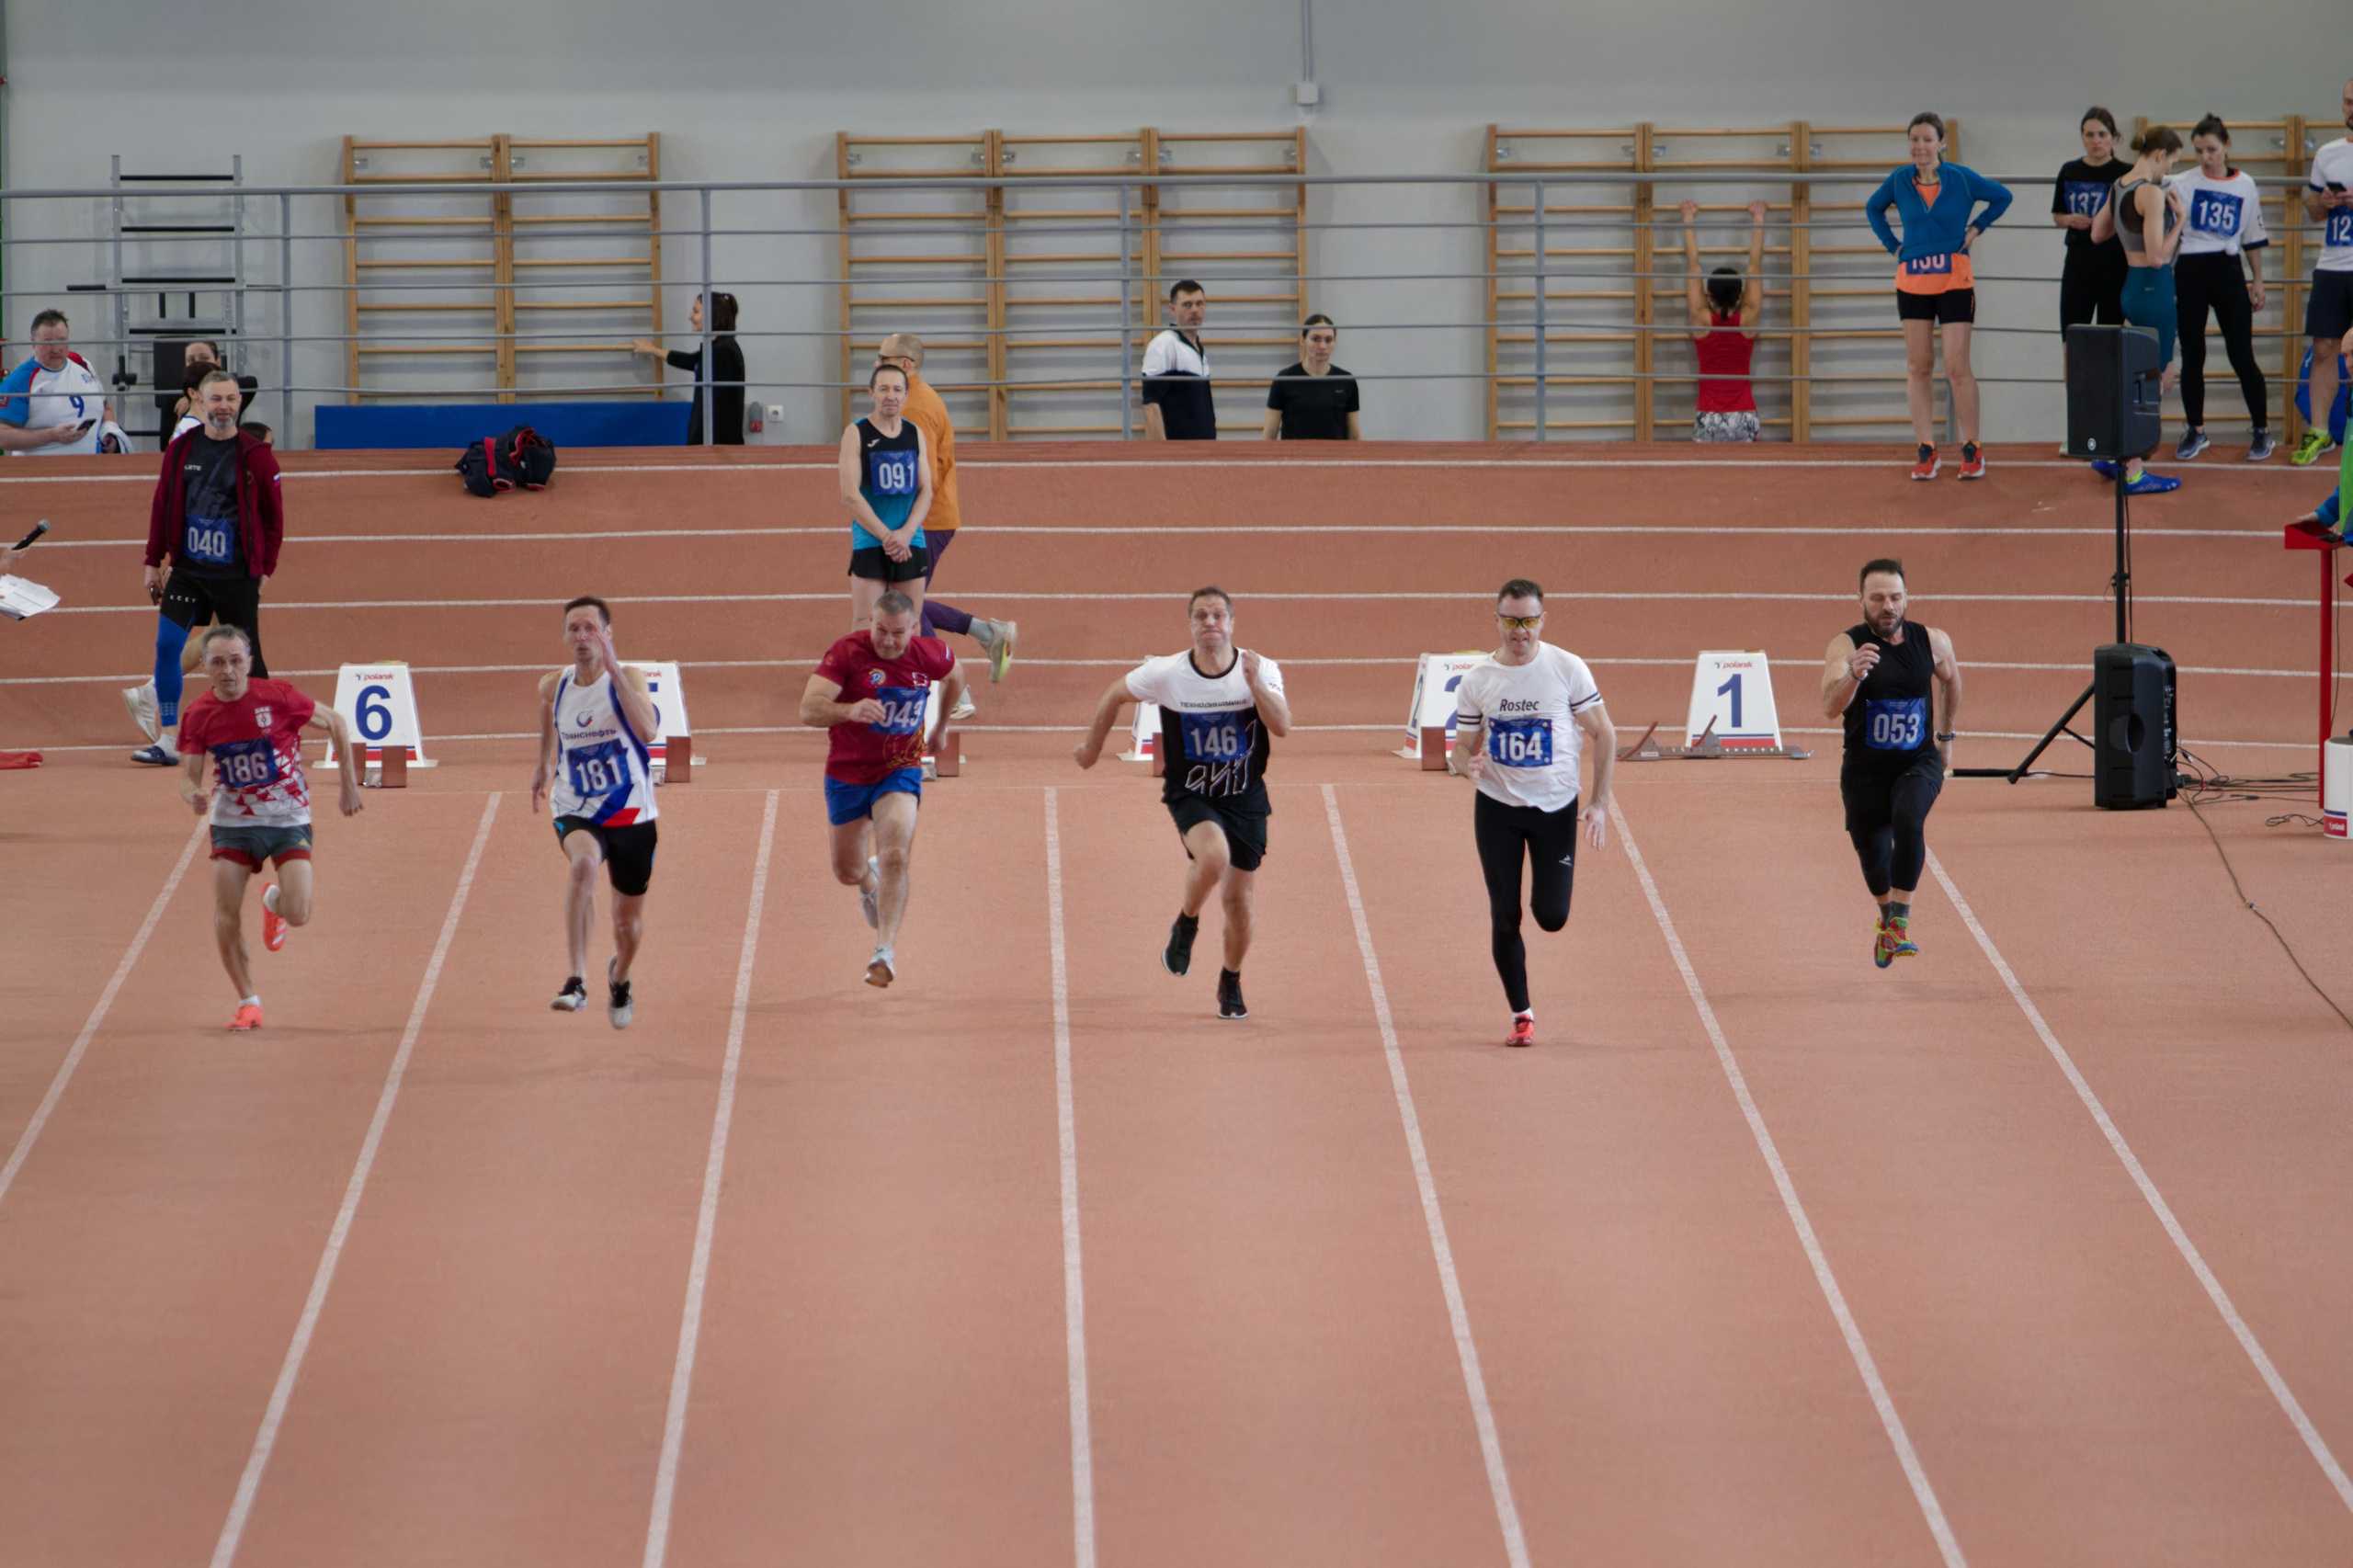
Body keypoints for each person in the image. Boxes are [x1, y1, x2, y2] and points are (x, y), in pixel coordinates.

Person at [1072, 586, 1290, 1020]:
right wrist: (1093, 746)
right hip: (1192, 792)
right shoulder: (1167, 672)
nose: (1210, 623)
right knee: (1212, 857)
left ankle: (1230, 978)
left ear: (1231, 623)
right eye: (1201, 616)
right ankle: (1186, 924)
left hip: (1245, 796)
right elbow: (1115, 692)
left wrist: (1252, 685)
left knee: (1239, 904)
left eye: (1217, 615)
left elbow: (1281, 726)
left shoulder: (1259, 668)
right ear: (1190, 625)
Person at [1447, 579, 1615, 1048]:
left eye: (1527, 621)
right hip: (1498, 809)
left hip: (1556, 809)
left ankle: (1544, 926)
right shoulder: (1477, 680)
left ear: (1543, 620)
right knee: (1504, 916)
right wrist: (1466, 766)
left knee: (1551, 915)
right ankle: (1522, 1014)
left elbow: (1605, 734)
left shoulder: (1566, 668)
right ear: (1495, 620)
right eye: (1509, 621)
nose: (1519, 632)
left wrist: (1599, 805)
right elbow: (1459, 751)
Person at [176, 624, 363, 1031]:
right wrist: (193, 794)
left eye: (236, 661)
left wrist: (348, 784)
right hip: (233, 823)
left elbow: (337, 722)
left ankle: (274, 901)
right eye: (218, 662)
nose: (228, 670)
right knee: (225, 915)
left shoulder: (277, 696)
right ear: (205, 666)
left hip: (286, 818)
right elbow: (188, 776)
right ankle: (248, 1000)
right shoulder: (198, 714)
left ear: (249, 662)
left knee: (299, 913)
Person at [800, 588, 967, 989]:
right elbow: (807, 708)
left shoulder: (931, 654)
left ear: (913, 628)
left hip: (899, 769)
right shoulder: (846, 653)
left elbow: (957, 676)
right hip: (848, 772)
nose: (888, 641)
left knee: (896, 854)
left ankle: (884, 951)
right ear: (868, 623)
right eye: (880, 631)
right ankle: (868, 881)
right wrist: (848, 710)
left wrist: (942, 725)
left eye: (897, 633)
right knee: (847, 871)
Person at [131, 370, 284, 766]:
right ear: (201, 401)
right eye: (216, 399)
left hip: (236, 575)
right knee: (167, 646)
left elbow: (273, 517)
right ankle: (168, 738)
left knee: (249, 659)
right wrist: (152, 561)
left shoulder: (256, 456)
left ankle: (261, 735)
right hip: (189, 571)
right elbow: (162, 505)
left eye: (231, 399)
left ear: (239, 403)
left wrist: (265, 568)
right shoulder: (181, 450)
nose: (224, 407)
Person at [1820, 560, 1962, 969]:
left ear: (1906, 599)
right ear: (1861, 600)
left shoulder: (1931, 641)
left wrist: (1947, 735)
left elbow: (1951, 679)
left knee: (1908, 816)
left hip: (1917, 760)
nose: (1888, 606)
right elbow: (1829, 708)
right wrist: (1852, 675)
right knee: (1873, 856)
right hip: (1864, 770)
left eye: (1896, 597)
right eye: (1878, 598)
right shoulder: (1845, 647)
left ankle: (1899, 924)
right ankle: (1887, 920)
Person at [530, 596, 660, 1027]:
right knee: (583, 867)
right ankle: (576, 980)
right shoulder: (554, 684)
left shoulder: (629, 678)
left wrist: (616, 668)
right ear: (565, 638)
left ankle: (619, 976)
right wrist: (542, 768)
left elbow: (648, 729)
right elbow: (548, 718)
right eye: (574, 629)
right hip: (577, 806)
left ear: (607, 634)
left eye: (591, 628)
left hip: (632, 815)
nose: (582, 637)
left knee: (627, 927)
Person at [1867, 113, 2011, 481]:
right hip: (1913, 280)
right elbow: (1873, 209)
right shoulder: (1900, 179)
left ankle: (1972, 448)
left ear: (1941, 143)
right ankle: (1927, 450)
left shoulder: (1960, 178)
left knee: (1957, 365)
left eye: (1928, 140)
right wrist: (1893, 246)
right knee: (1918, 366)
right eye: (1914, 139)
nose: (1920, 147)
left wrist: (1977, 228)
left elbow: (2001, 197)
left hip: (1954, 280)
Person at [876, 333, 1017, 704]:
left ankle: (954, 691)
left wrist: (903, 528)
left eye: (881, 357)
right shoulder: (913, 400)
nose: (875, 364)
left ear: (904, 365)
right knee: (901, 598)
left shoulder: (916, 408)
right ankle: (987, 634)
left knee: (904, 604)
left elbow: (926, 477)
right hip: (925, 519)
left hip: (926, 521)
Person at [2089, 128, 2189, 494]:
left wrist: (2128, 226)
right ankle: (2134, 469)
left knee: (2141, 374)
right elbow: (2158, 257)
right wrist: (2179, 219)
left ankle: (2114, 452)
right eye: (2173, 162)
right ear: (2160, 155)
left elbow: (2097, 234)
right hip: (2153, 289)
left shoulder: (2119, 185)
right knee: (2158, 379)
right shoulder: (2150, 191)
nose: (2169, 172)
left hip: (2131, 288)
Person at [2167, 116, 2273, 461]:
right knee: (2193, 354)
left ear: (2227, 146)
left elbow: (2252, 238)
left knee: (2241, 354)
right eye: (2198, 151)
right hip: (2190, 271)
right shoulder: (2181, 183)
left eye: (2211, 149)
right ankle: (2195, 430)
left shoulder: (2245, 185)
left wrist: (2257, 280)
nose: (2205, 157)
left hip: (2228, 270)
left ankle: (2261, 429)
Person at [839, 361, 931, 631]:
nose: (890, 395)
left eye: (897, 389)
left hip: (909, 539)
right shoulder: (856, 433)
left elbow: (926, 490)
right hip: (870, 538)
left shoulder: (915, 434)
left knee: (910, 625)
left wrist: (905, 533)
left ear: (905, 395)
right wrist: (887, 536)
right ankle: (864, 675)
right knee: (865, 623)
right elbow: (850, 495)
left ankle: (906, 676)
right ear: (871, 393)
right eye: (883, 389)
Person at [2292, 79, 2353, 467]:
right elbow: (2312, 210)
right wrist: (2325, 201)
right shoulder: (2328, 154)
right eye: (2348, 102)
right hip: (2332, 265)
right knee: (2325, 349)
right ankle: (2320, 432)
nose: (2351, 109)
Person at [1678, 199, 1770, 443]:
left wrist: (1688, 219)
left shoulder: (1701, 319)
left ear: (1709, 294)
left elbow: (1693, 267)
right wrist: (1758, 218)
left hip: (1709, 417)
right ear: (1740, 294)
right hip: (1744, 415)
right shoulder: (1748, 319)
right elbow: (1755, 267)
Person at [2054, 108, 2133, 340]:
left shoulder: (2124, 173)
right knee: (2072, 332)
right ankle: (2073, 377)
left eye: (2101, 134)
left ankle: (2108, 377)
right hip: (2079, 260)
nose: (2095, 141)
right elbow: (2057, 214)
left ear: (2113, 137)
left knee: (2110, 334)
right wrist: (2068, 219)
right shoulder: (2070, 171)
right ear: (2082, 137)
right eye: (2089, 135)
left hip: (2114, 261)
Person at [632, 291, 744, 445]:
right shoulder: (716, 348)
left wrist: (702, 442)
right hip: (713, 440)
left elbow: (720, 406)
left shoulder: (723, 352)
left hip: (718, 442)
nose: (690, 316)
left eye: (696, 311)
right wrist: (652, 350)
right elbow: (692, 361)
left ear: (712, 315)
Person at [0, 310, 111, 456]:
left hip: (92, 468)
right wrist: (52, 435)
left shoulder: (83, 365)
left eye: (62, 341)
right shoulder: (19, 381)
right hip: (43, 472)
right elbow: (3, 437)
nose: (57, 349)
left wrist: (110, 432)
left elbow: (106, 408)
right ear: (33, 342)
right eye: (48, 342)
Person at [1261, 314, 1361, 440]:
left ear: (1334, 343)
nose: (1322, 346)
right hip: (1295, 457)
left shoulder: (1346, 381)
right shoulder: (1285, 380)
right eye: (1316, 339)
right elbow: (1270, 433)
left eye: (1328, 340)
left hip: (1335, 457)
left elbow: (1354, 435)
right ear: (1303, 341)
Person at [1141, 280, 1215, 440]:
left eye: (1199, 303)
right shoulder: (1164, 344)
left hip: (1203, 447)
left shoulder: (1198, 348)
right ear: (1172, 309)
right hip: (1178, 450)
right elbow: (1151, 404)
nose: (1195, 310)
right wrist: (1163, 454)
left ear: (1205, 306)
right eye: (1187, 305)